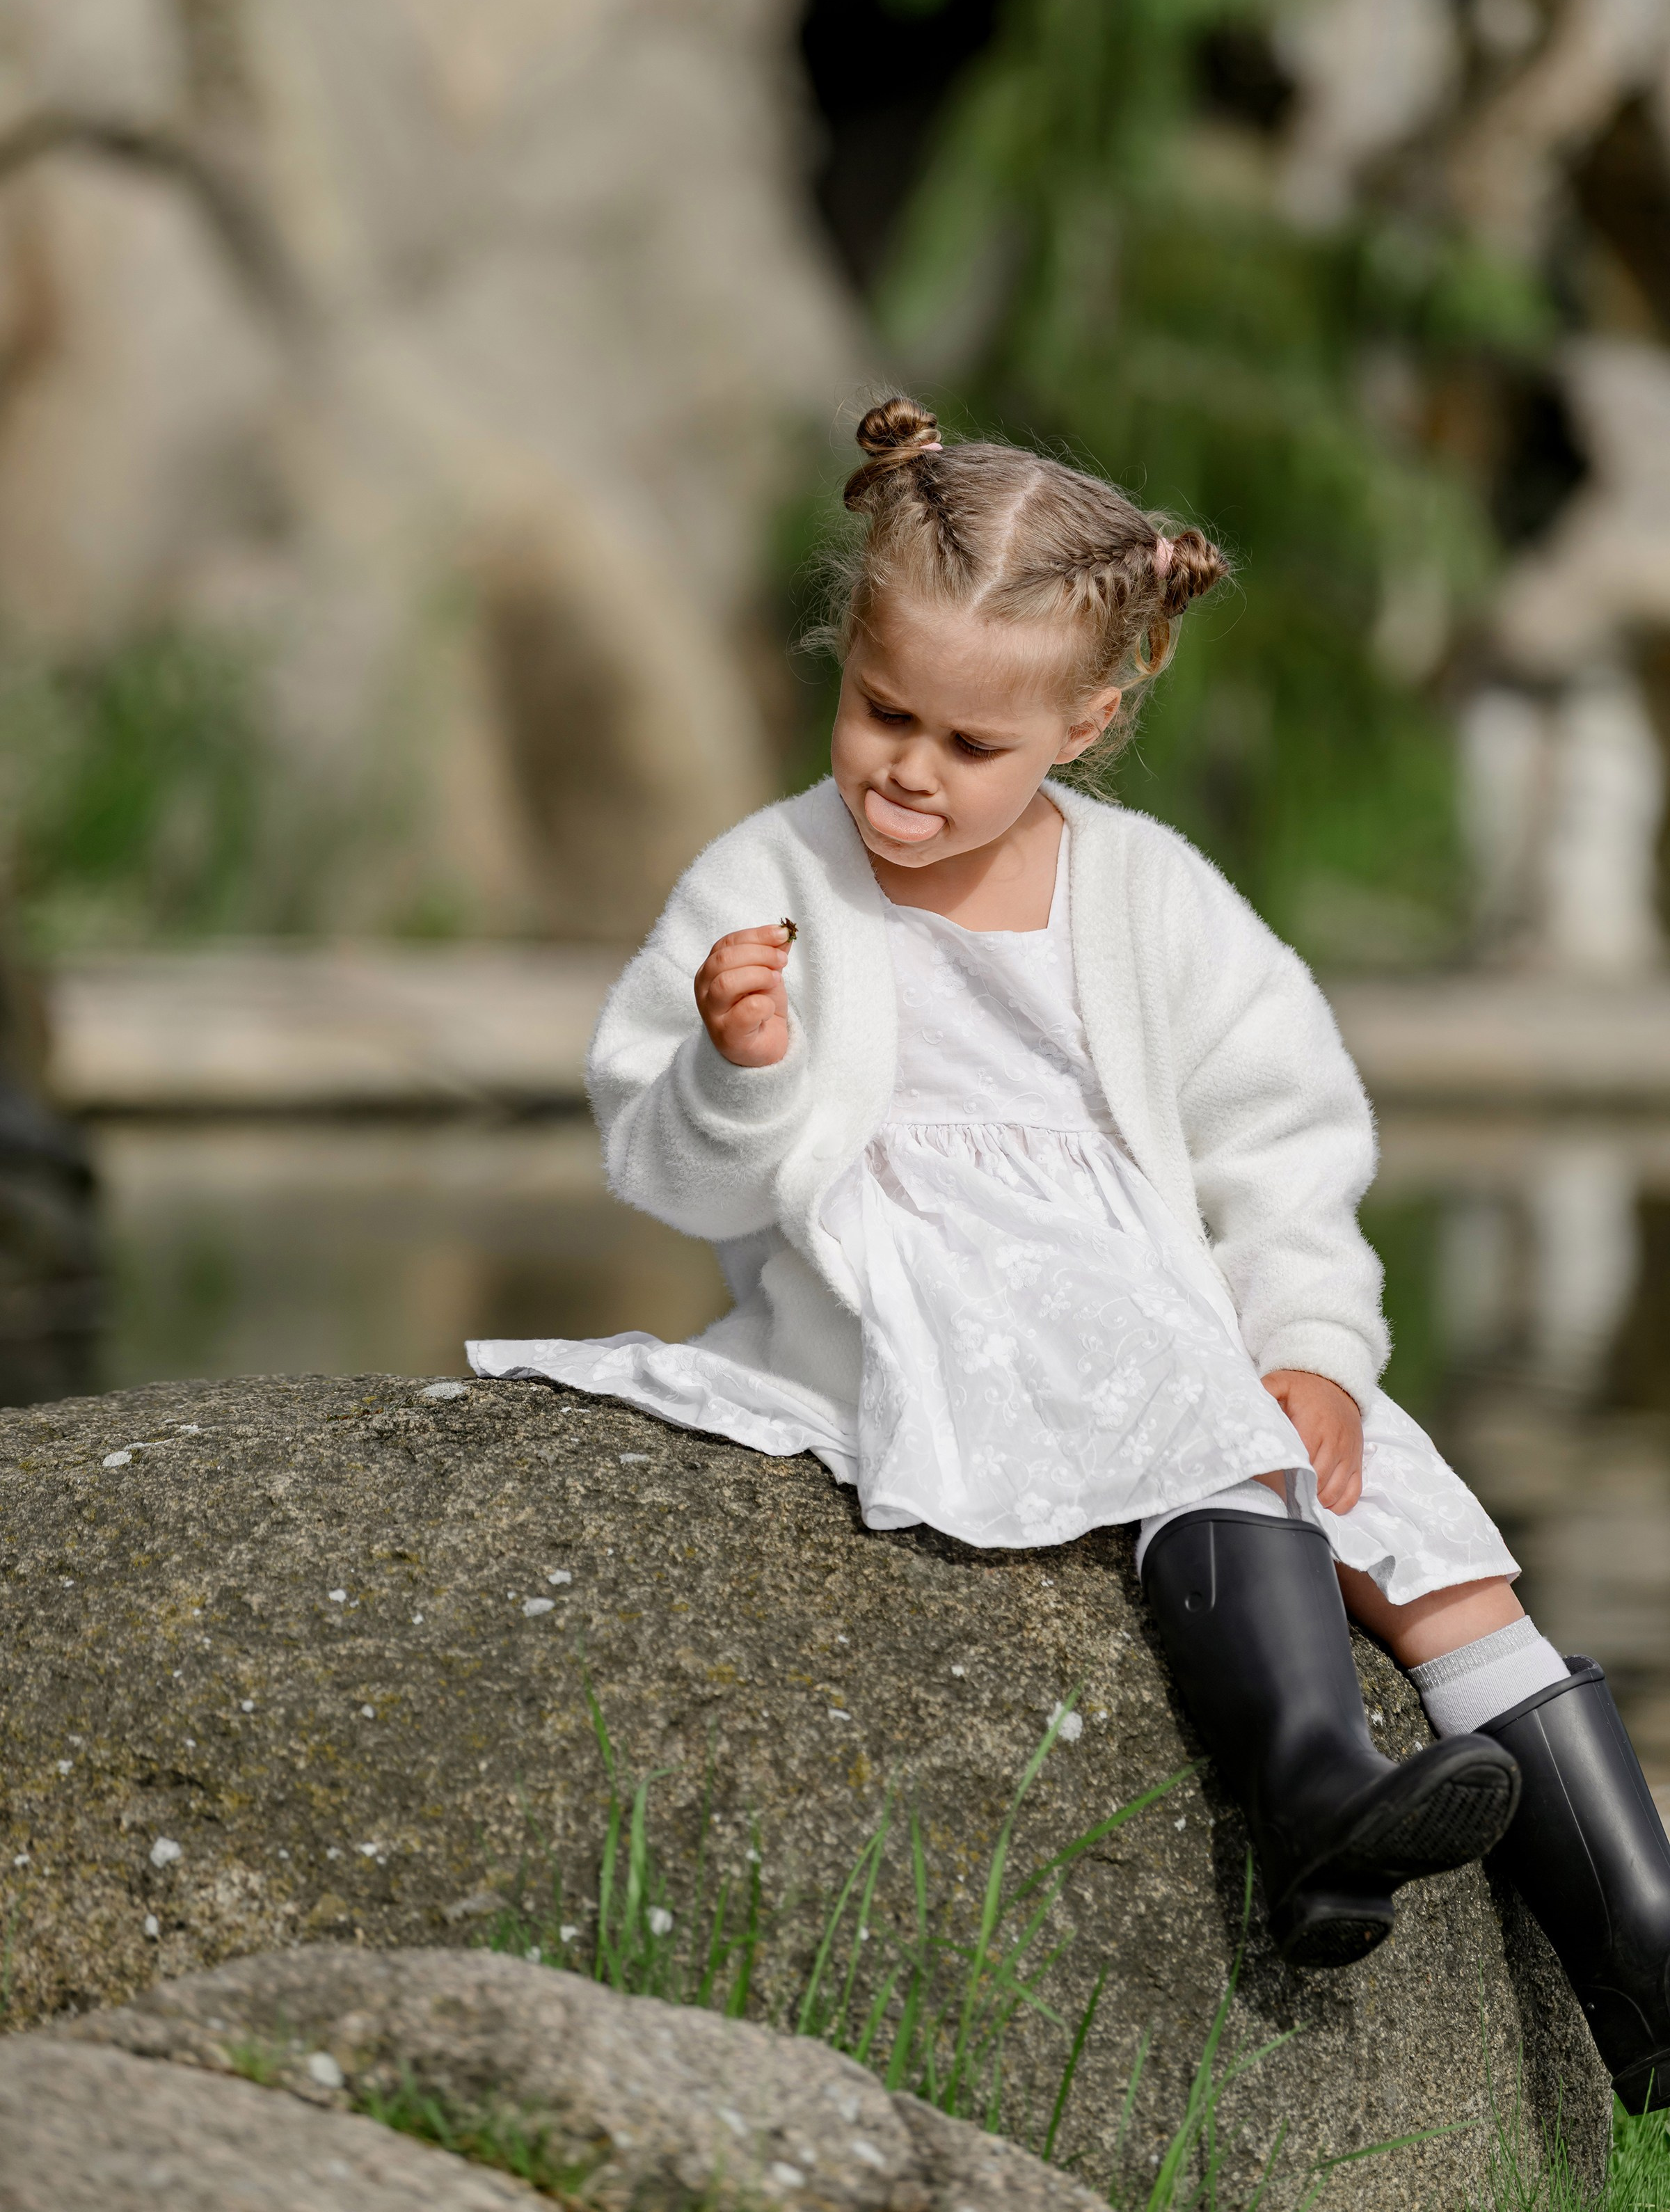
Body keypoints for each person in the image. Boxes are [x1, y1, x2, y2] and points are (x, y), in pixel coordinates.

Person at [472, 398, 1670, 2108]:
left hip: (1160, 1284)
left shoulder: (1150, 895)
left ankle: (1641, 1957)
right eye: (883, 711)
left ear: (1086, 725)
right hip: (929, 1283)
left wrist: (1314, 1344)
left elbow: (1282, 1146)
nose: (909, 770)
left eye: (971, 744)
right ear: (847, 662)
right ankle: (1313, 1783)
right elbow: (666, 1168)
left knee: (1424, 1536)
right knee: (1197, 1420)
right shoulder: (769, 874)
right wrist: (738, 1069)